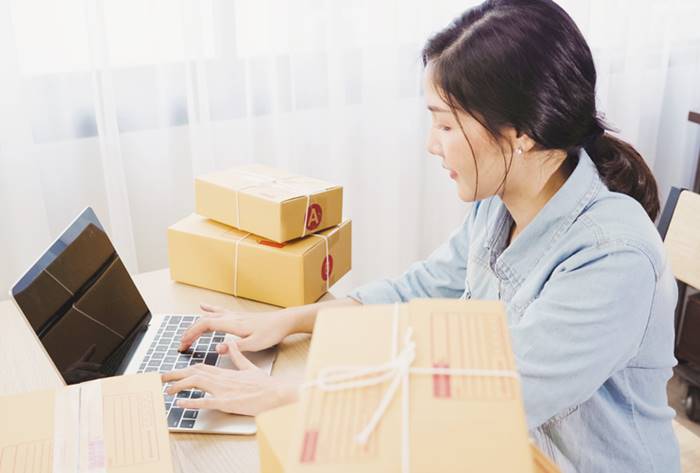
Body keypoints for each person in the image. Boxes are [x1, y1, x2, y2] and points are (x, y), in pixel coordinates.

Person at [162, 1, 680, 471]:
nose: (432, 145)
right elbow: (417, 292)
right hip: (504, 449)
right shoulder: (499, 207)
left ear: (521, 132)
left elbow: (492, 401)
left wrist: (285, 396)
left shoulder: (614, 256)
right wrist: (289, 322)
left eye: (447, 126)